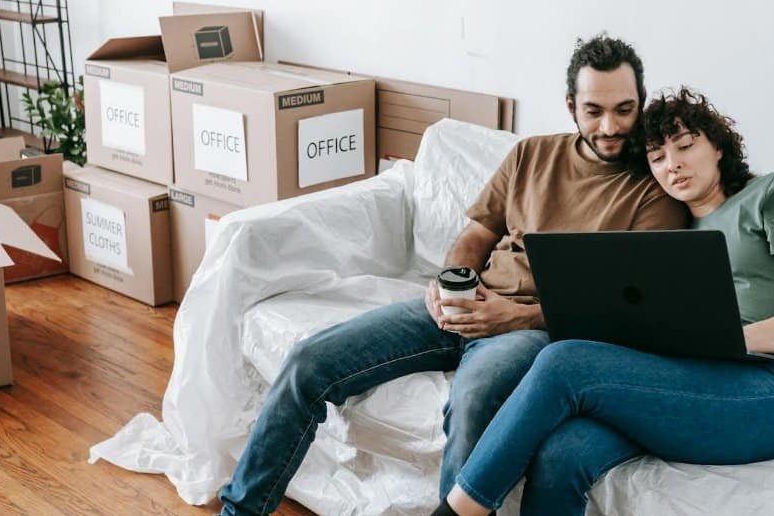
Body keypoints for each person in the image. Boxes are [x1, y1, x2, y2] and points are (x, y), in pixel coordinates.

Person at [217, 35, 687, 515]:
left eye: (624, 110)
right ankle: (240, 509)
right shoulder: (533, 155)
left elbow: (627, 308)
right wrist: (452, 281)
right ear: (571, 105)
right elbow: (477, 234)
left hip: (533, 331)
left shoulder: (656, 192)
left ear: (641, 103)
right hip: (466, 304)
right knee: (309, 361)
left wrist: (515, 318)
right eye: (594, 111)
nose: (610, 127)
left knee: (472, 401)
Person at [436, 86, 774, 516]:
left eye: (686, 146)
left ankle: (454, 513)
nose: (673, 164)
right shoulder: (670, 236)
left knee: (565, 362)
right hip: (691, 380)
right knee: (562, 450)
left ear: (718, 147)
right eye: (657, 158)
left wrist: (729, 340)